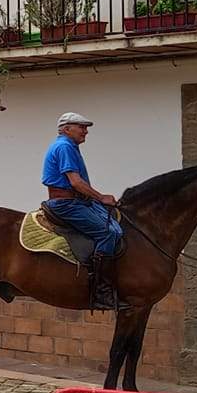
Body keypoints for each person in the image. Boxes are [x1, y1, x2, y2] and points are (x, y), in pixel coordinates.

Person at [41, 111, 121, 305]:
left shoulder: (70, 146)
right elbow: (75, 182)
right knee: (108, 233)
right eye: (82, 127)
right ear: (67, 129)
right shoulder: (64, 147)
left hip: (79, 201)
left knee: (117, 224)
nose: (85, 131)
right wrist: (101, 197)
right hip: (66, 204)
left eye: (86, 128)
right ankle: (100, 288)